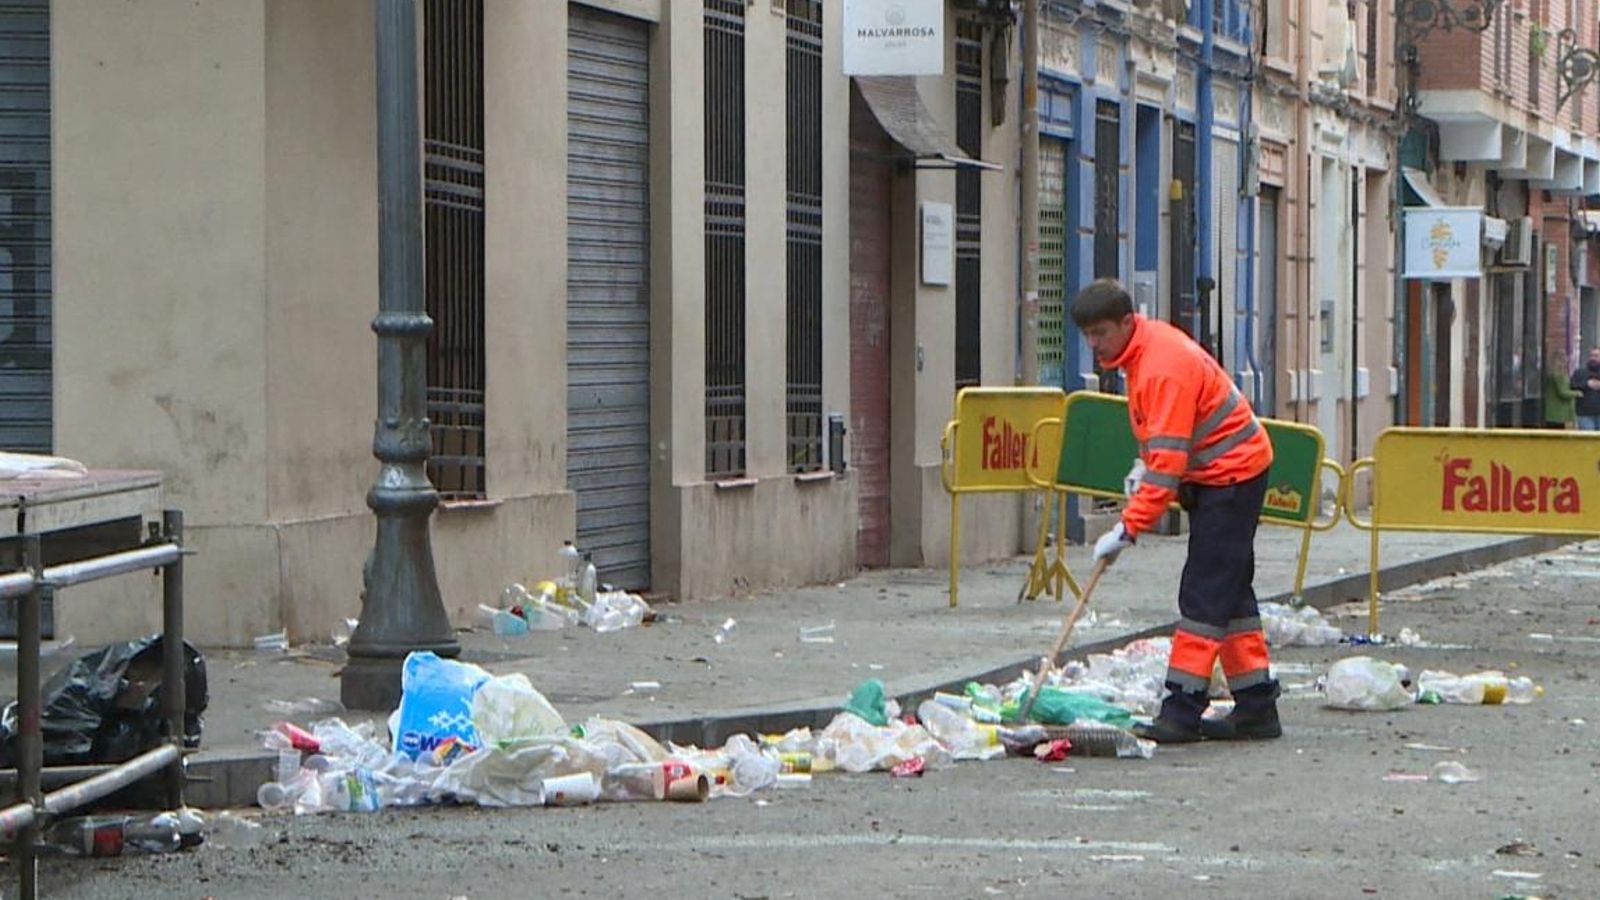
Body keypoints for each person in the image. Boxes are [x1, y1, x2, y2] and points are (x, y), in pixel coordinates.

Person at [1073, 278, 1278, 744]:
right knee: (1230, 593)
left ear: (1127, 322)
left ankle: (1182, 709)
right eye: (1087, 335)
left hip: (1230, 476)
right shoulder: (1143, 354)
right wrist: (1143, 470)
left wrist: (1127, 527)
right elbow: (1163, 448)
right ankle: (1256, 705)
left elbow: (1167, 466)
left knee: (1204, 595)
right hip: (1226, 473)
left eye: (1101, 333)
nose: (1094, 344)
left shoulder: (1160, 366)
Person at [1544, 351, 1581, 430]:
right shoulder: (1559, 375)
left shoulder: (1551, 373)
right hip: (1558, 413)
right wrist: (1577, 393)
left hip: (1551, 412)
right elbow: (1563, 392)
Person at [1572, 347, 1600, 432]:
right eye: (1591, 355)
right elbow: (1572, 385)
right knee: (1588, 442)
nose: (1593, 358)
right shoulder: (1580, 372)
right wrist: (1587, 384)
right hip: (1585, 414)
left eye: (1596, 356)